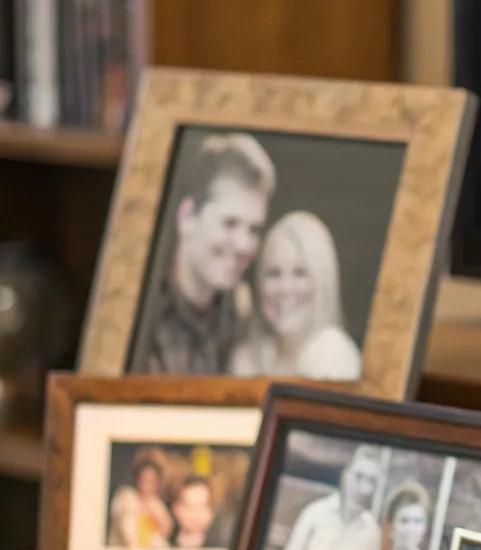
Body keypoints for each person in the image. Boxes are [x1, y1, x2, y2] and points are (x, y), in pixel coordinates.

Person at [139, 132, 277, 374]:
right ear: (187, 217)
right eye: (230, 223)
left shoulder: (239, 309)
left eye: (254, 229)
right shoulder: (139, 313)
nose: (245, 245)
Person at [230, 212, 361, 380]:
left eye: (300, 273)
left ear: (323, 282)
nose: (285, 288)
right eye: (274, 273)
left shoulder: (333, 356)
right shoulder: (248, 359)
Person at [108, 450, 173, 548]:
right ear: (137, 479)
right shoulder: (127, 496)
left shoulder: (157, 503)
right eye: (145, 479)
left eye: (153, 480)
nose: (148, 484)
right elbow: (127, 531)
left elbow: (166, 530)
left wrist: (157, 514)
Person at [169, 474, 215, 549]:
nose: (196, 514)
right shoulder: (164, 546)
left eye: (202, 506)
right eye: (189, 507)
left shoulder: (223, 547)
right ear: (176, 509)